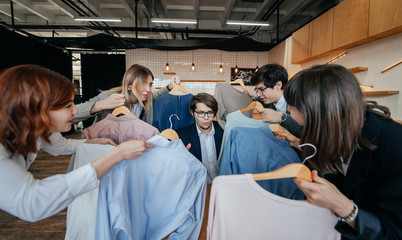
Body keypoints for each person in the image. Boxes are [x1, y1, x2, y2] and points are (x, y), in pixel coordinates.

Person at [0, 64, 154, 222]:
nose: (75, 111)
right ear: (36, 109)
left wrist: (92, 142)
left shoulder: (40, 129)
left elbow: (62, 146)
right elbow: (32, 203)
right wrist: (118, 154)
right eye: (68, 106)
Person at [276, 64, 402, 239]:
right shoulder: (336, 131)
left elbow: (394, 232)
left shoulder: (393, 149)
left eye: (293, 106)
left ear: (317, 110)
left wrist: (341, 206)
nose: (288, 110)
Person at [74, 64, 180, 125]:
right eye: (143, 83)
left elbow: (157, 94)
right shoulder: (110, 97)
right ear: (129, 85)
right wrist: (101, 104)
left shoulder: (146, 99)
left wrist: (169, 87)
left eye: (150, 84)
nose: (148, 89)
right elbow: (74, 114)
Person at [177, 93, 224, 183]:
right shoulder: (182, 136)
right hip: (198, 187)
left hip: (222, 185)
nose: (206, 118)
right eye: (200, 113)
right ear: (192, 113)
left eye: (210, 113)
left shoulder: (224, 131)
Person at [250, 64, 303, 137]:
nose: (258, 94)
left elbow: (305, 132)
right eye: (257, 90)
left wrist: (282, 118)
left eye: (262, 89)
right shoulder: (264, 102)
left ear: (278, 85)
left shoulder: (298, 102)